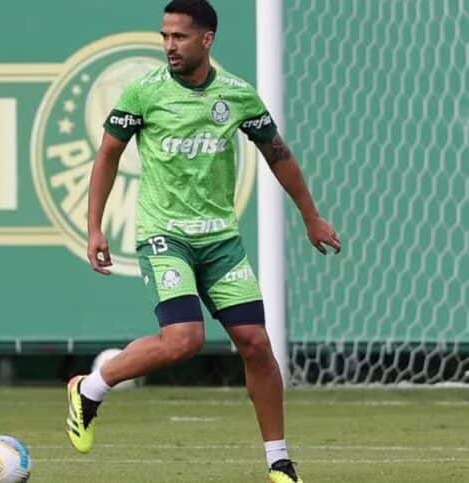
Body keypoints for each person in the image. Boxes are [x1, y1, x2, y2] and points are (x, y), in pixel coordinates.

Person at [65, 1, 341, 482]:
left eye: (180, 37)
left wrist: (310, 216)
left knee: (256, 344)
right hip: (164, 236)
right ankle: (91, 387)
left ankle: (279, 462)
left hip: (220, 242)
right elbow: (108, 154)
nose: (169, 45)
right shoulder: (143, 92)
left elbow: (278, 154)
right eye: (165, 36)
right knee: (185, 340)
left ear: (207, 40)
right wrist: (95, 226)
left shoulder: (236, 94)